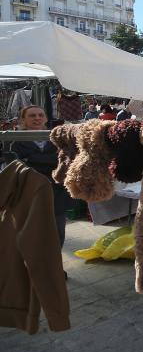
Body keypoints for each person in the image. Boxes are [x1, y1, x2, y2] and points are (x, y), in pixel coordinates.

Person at [6, 106, 73, 251]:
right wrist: (50, 160)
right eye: (32, 116)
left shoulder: (58, 139)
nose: (37, 118)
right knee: (32, 233)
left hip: (56, 194)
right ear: (23, 120)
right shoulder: (15, 141)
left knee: (57, 232)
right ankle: (34, 269)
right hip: (29, 195)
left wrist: (32, 158)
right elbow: (18, 166)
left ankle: (54, 269)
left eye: (40, 115)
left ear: (46, 118)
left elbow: (64, 162)